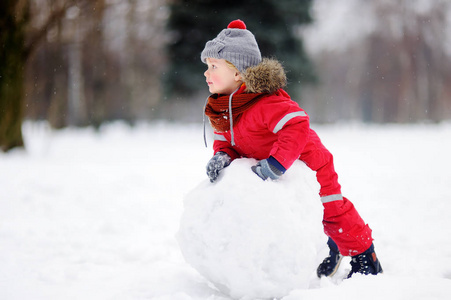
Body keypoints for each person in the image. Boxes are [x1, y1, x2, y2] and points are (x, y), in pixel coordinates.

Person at [201, 19, 383, 278]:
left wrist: (276, 164)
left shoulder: (264, 103)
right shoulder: (223, 107)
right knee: (293, 214)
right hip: (277, 167)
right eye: (206, 66)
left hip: (310, 164)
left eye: (214, 66)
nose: (206, 73)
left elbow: (297, 124)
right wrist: (222, 155)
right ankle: (324, 250)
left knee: (331, 212)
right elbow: (226, 140)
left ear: (238, 72)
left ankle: (366, 256)